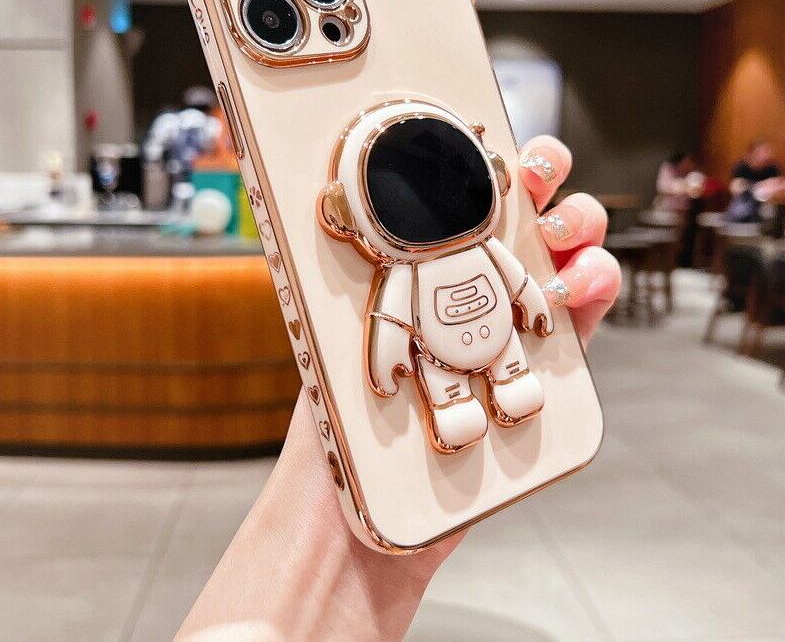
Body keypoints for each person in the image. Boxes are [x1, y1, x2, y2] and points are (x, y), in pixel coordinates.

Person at [171, 135, 621, 642]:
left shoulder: (473, 250)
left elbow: (517, 282)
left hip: (499, 340)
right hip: (446, 358)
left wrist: (538, 304)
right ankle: (470, 398)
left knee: (505, 375)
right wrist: (379, 377)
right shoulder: (407, 268)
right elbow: (390, 319)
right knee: (451, 392)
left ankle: (509, 381)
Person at [727, 140, 784, 223]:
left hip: (768, 205)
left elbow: (779, 186)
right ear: (753, 153)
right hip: (745, 205)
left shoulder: (772, 167)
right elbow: (735, 188)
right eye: (764, 151)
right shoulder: (742, 167)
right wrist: (759, 186)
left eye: (768, 151)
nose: (767, 155)